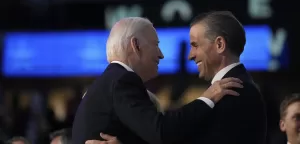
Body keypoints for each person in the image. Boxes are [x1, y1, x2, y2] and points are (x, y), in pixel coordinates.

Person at [86, 11, 267, 144]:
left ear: (219, 44)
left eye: (195, 45)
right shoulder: (229, 91)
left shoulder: (234, 92)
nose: (190, 55)